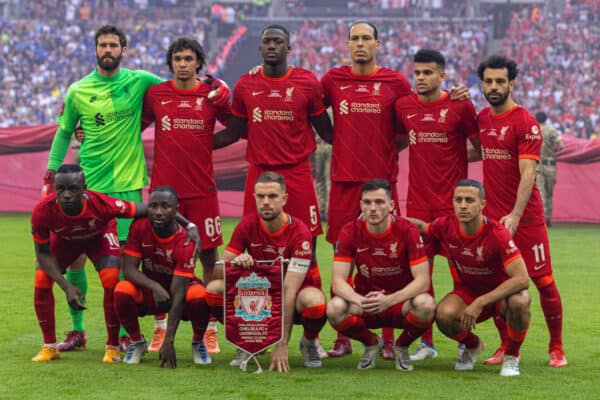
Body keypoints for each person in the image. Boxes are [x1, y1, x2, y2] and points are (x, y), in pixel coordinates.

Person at [320, 21, 469, 359]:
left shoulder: (396, 83)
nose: (360, 44)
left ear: (378, 44)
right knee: (345, 258)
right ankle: (344, 337)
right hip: (344, 182)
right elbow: (314, 114)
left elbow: (414, 120)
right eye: (354, 39)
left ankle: (388, 338)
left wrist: (456, 95)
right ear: (347, 44)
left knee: (392, 259)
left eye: (366, 38)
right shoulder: (331, 80)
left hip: (383, 182)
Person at [213, 24, 332, 359]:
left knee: (307, 249)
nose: (272, 46)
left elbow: (329, 131)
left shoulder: (307, 82)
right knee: (251, 253)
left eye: (278, 41)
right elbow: (234, 132)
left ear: (289, 47)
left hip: (297, 175)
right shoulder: (246, 84)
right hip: (259, 174)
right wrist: (192, 142)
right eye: (267, 42)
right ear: (260, 47)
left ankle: (311, 335)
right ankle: (252, 333)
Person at [43, 25, 163, 352]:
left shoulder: (139, 81)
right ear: (95, 50)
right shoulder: (78, 90)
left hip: (127, 188)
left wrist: (215, 85)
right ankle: (78, 332)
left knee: (125, 263)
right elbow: (64, 132)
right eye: (102, 45)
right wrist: (51, 174)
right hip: (88, 188)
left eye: (113, 45)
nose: (107, 50)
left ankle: (126, 334)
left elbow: (178, 86)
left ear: (124, 50)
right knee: (76, 259)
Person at [31, 164, 199, 363]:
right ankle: (49, 346)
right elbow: (42, 254)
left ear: (84, 187)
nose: (66, 195)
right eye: (61, 189)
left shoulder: (102, 204)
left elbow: (148, 209)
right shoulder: (42, 211)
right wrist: (66, 286)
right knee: (41, 278)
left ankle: (112, 347)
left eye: (73, 189)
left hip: (98, 239)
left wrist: (189, 224)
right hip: (65, 242)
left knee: (111, 277)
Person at [475, 55, 566, 367]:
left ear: (512, 83)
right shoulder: (483, 119)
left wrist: (514, 214)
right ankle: (504, 346)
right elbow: (472, 149)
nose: (494, 86)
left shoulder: (526, 122)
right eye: (489, 81)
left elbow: (528, 174)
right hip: (493, 221)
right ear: (482, 85)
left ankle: (556, 347)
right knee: (501, 286)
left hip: (525, 219)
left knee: (543, 281)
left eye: (500, 81)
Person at [141, 37, 231, 354]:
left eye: (188, 58)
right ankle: (160, 327)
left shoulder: (212, 94)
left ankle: (207, 329)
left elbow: (235, 128)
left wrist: (206, 144)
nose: (182, 63)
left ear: (198, 62)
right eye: (177, 58)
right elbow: (132, 126)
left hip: (202, 190)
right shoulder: (156, 95)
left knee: (209, 258)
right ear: (171, 63)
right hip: (164, 193)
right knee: (157, 260)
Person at [394, 49, 479, 361]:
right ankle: (426, 343)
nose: (420, 78)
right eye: (416, 73)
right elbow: (398, 139)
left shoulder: (460, 106)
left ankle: (464, 340)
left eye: (428, 73)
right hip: (418, 206)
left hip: (454, 207)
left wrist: (454, 156)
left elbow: (481, 148)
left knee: (464, 277)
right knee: (420, 277)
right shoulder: (404, 106)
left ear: (442, 76)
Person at [205, 172, 328, 372]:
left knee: (314, 301)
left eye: (272, 196)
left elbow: (288, 289)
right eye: (261, 197)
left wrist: (281, 344)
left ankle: (309, 341)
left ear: (284, 199)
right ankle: (246, 341)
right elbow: (217, 272)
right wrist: (234, 263)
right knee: (213, 289)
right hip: (262, 294)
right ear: (254, 198)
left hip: (294, 297)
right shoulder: (247, 224)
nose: (266, 202)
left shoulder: (300, 232)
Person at [409, 179, 531, 376]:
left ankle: (512, 355)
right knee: (443, 314)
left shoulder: (498, 234)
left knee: (520, 300)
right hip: (468, 293)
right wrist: (388, 218)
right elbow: (423, 228)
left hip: (500, 295)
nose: (463, 205)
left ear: (482, 204)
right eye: (458, 200)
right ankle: (473, 345)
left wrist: (481, 302)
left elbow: (522, 279)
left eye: (469, 200)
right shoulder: (446, 226)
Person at [326, 179, 433, 371]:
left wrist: (390, 300)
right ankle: (371, 343)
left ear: (391, 205)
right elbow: (338, 282)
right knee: (334, 308)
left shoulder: (407, 230)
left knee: (426, 305)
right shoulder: (350, 231)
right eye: (367, 202)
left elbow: (423, 281)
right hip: (367, 301)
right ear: (361, 205)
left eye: (379, 202)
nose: (373, 208)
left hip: (400, 303)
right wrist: (359, 300)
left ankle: (401, 346)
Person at [115, 186, 211, 367]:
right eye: (153, 206)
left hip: (180, 293)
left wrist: (169, 341)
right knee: (122, 290)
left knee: (198, 296)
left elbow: (179, 290)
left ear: (176, 210)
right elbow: (128, 269)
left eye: (165, 207)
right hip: (151, 291)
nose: (158, 212)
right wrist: (155, 287)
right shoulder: (139, 226)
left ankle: (198, 342)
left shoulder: (186, 241)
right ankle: (137, 342)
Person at [535, 111, 563, 227]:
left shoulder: (533, 130)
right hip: (550, 165)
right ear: (546, 119)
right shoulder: (551, 130)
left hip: (537, 165)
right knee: (549, 194)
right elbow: (561, 145)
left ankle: (541, 219)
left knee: (540, 193)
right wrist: (552, 150)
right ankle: (548, 218)